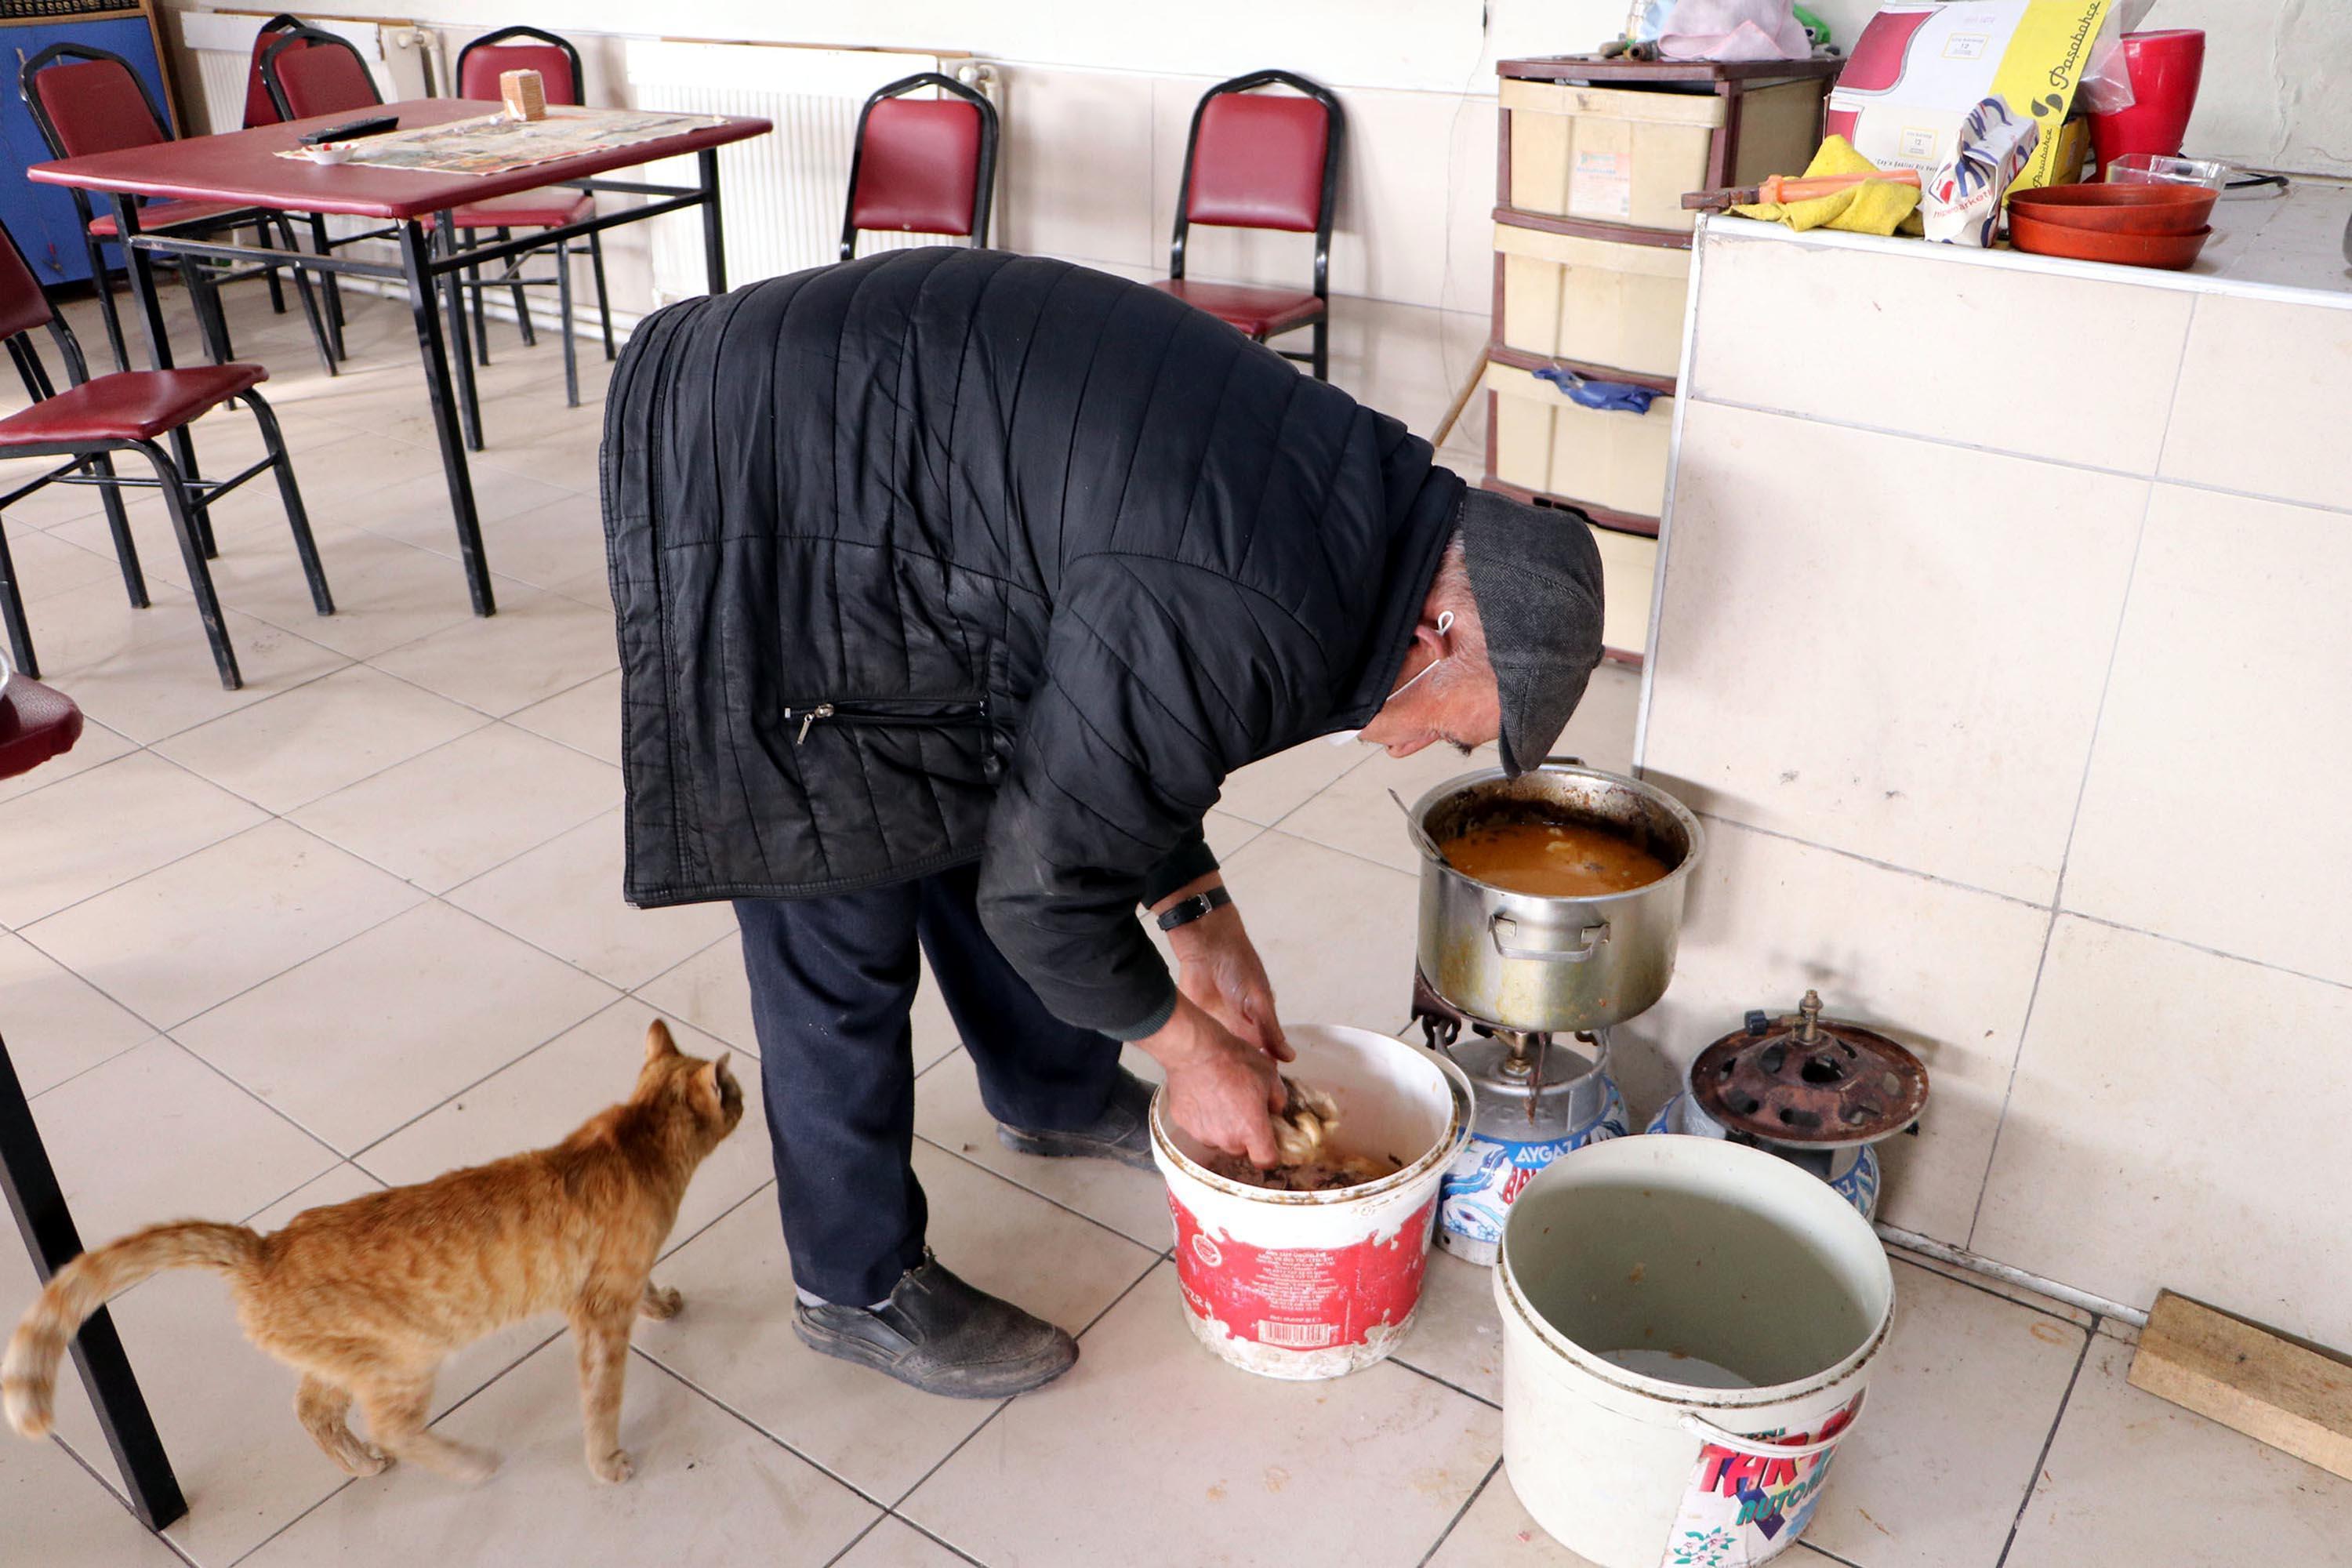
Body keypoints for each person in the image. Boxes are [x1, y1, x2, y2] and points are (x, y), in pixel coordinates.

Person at [601, 248, 1604, 1398]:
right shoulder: (1257, 607)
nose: (1429, 745)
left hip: (888, 457)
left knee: (980, 790)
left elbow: (1101, 715)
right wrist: (1191, 1050)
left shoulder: (1361, 512)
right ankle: (855, 1282)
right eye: (1459, 727)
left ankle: (1053, 1091)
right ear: (1438, 631)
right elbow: (1050, 885)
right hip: (762, 475)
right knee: (836, 876)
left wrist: (1199, 914)